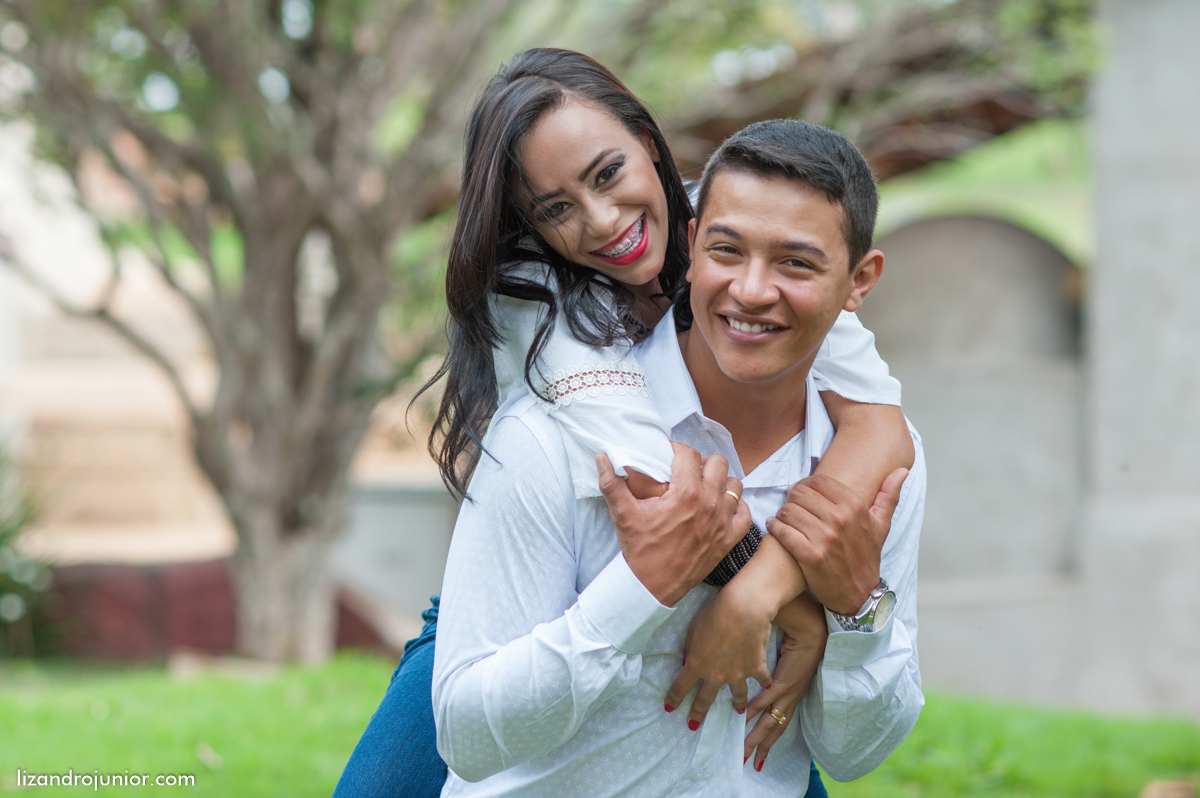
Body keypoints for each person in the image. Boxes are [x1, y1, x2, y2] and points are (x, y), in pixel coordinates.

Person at [334, 49, 913, 797]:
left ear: (649, 140)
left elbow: (880, 429)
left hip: (719, 606)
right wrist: (791, 604)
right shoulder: (535, 302)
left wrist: (765, 596)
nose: (602, 222)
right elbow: (655, 471)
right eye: (556, 208)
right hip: (532, 600)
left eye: (608, 174)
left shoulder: (752, 242)